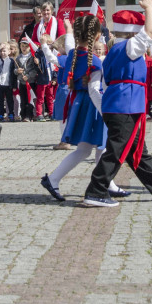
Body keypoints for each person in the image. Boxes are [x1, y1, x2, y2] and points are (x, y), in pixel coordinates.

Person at [82, 0, 152, 207]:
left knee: (136, 148)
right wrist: (149, 7)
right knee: (117, 149)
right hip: (124, 104)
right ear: (133, 32)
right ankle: (96, 190)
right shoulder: (129, 48)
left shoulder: (115, 51)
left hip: (120, 103)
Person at [41, 16, 128, 202]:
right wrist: (106, 114)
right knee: (96, 148)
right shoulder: (94, 61)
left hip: (80, 104)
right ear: (97, 36)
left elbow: (71, 44)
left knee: (92, 149)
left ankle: (106, 184)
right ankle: (55, 179)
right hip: (93, 107)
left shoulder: (73, 54)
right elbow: (95, 90)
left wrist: (68, 30)